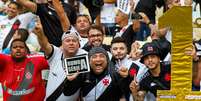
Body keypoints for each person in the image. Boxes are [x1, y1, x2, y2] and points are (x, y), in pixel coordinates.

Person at [32, 19, 88, 100]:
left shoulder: (84, 55)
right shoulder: (55, 54)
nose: (71, 43)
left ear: (79, 44)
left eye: (74, 41)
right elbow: (45, 45)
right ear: (62, 44)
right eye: (68, 41)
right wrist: (40, 33)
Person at [63, 47, 130, 101]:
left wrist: (126, 78)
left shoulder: (114, 74)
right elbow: (68, 92)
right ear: (89, 61)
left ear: (107, 61)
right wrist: (70, 81)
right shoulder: (83, 74)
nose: (98, 59)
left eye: (102, 56)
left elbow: (127, 90)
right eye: (94, 56)